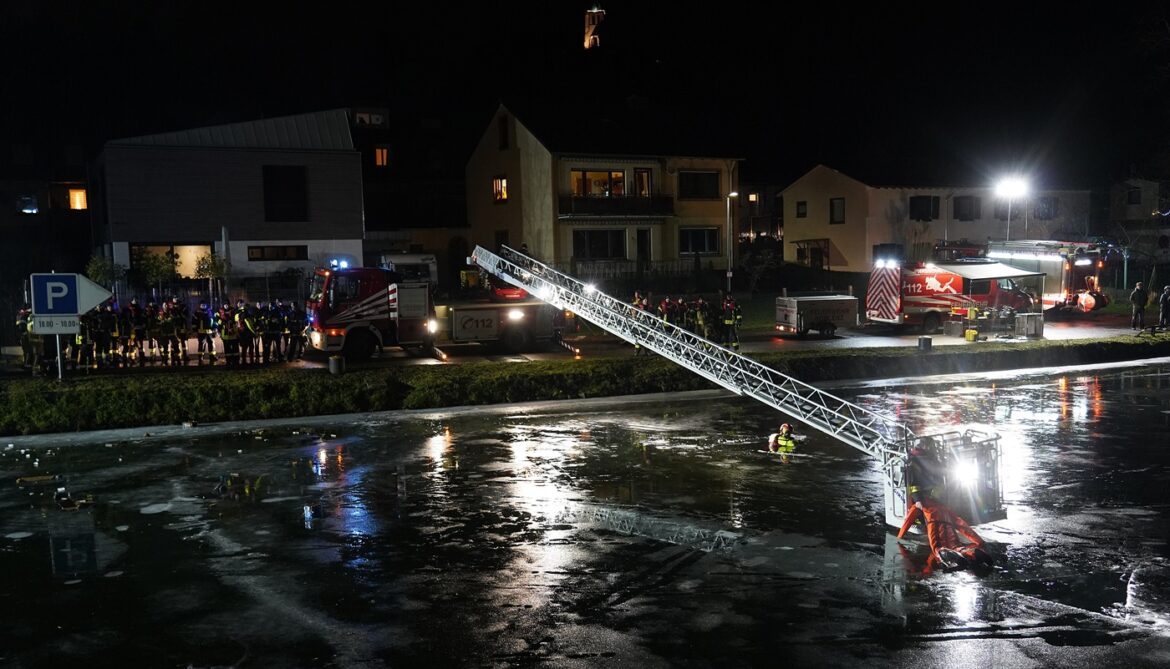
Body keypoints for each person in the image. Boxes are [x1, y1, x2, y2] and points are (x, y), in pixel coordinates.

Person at [897, 496, 994, 574]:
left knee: (938, 548)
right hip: (949, 528)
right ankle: (971, 552)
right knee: (956, 546)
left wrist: (900, 536)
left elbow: (908, 521)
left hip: (934, 526)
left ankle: (950, 556)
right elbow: (961, 524)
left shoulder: (921, 504)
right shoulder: (945, 507)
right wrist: (979, 541)